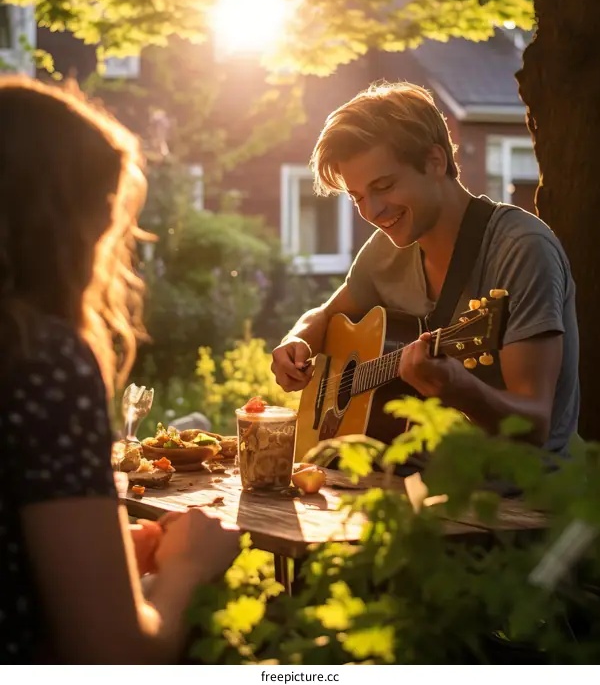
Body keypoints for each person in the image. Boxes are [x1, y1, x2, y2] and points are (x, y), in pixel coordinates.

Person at [0, 77, 239, 663]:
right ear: (64, 222)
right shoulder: (41, 363)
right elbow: (114, 657)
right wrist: (188, 568)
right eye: (107, 213)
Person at [272, 82, 579, 459]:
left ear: (435, 161)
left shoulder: (521, 249)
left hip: (516, 499)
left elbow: (535, 424)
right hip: (412, 482)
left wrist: (460, 389)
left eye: (384, 186)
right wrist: (297, 340)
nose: (371, 212)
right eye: (358, 198)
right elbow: (326, 316)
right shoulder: (387, 248)